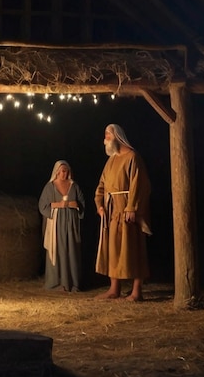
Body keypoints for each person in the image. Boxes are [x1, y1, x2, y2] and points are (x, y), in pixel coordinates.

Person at [94, 124, 152, 302]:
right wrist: (100, 204)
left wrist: (132, 207)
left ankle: (136, 291)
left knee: (133, 247)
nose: (105, 140)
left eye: (108, 136)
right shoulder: (111, 160)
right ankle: (114, 288)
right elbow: (102, 185)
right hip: (112, 211)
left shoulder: (133, 157)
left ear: (117, 136)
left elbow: (139, 184)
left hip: (127, 208)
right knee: (113, 249)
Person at [38, 160, 86, 292]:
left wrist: (74, 205)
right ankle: (57, 282)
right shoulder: (50, 187)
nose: (64, 173)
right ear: (57, 172)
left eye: (66, 171)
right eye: (62, 171)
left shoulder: (74, 186)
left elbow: (81, 203)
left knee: (71, 250)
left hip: (71, 223)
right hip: (56, 224)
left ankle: (72, 283)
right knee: (58, 249)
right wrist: (58, 205)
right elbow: (43, 205)